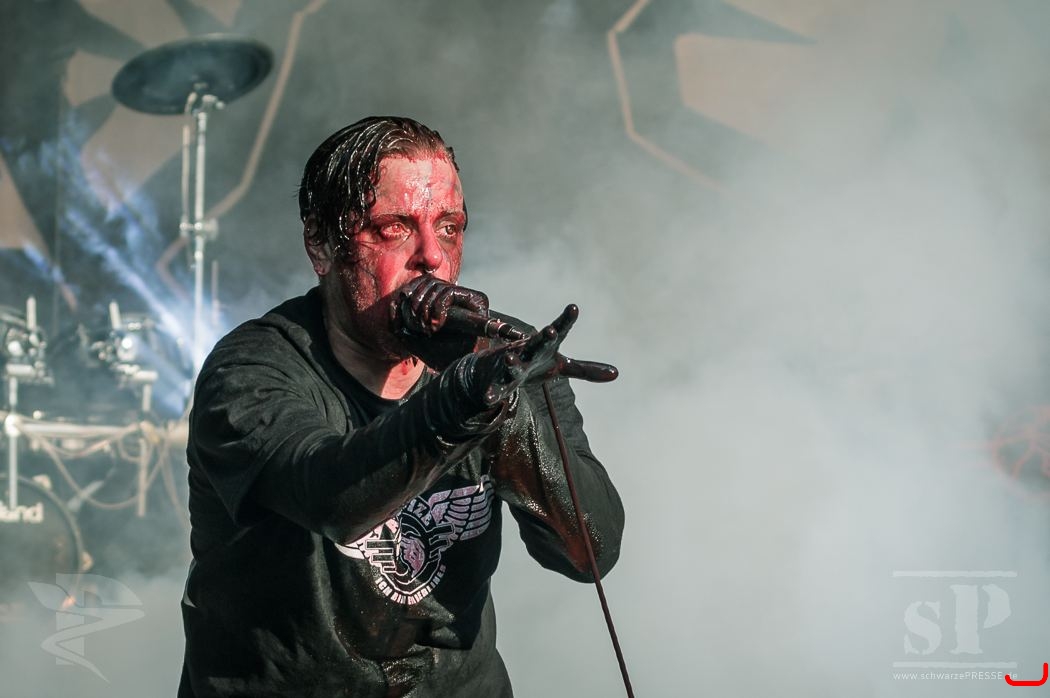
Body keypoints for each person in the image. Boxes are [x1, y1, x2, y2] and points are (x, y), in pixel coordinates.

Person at [178, 116, 625, 697]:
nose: (432, 257)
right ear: (321, 245)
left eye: (449, 228)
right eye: (394, 228)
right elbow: (332, 497)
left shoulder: (502, 357)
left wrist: (504, 408)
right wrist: (459, 402)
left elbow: (590, 553)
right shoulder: (253, 368)